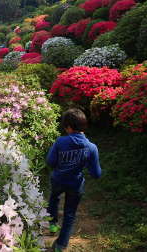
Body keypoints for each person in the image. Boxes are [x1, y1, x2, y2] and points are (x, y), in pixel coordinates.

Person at [46, 108, 102, 252]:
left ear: (69, 127)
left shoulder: (60, 141)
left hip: (58, 179)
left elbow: (50, 162)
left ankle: (52, 223)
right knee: (70, 214)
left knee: (54, 198)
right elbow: (96, 173)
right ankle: (60, 245)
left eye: (65, 127)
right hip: (75, 184)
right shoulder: (91, 147)